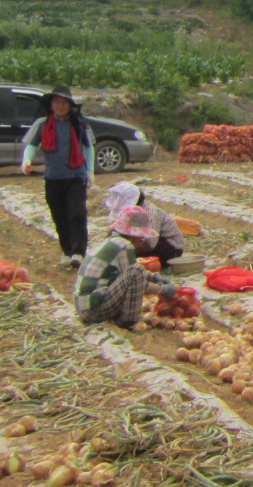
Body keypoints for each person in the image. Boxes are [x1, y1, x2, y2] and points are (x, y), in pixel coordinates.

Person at [74, 205, 184, 329]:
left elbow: (126, 271)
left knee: (135, 271)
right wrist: (162, 289)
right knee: (135, 272)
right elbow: (137, 280)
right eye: (140, 236)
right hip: (93, 310)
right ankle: (128, 321)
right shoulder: (125, 246)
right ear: (133, 235)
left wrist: (154, 277)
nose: (141, 239)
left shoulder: (113, 242)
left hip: (84, 307)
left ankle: (121, 315)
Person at [20, 86, 94, 269]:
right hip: (53, 178)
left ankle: (78, 252)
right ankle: (67, 251)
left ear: (70, 105)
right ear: (51, 104)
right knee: (59, 216)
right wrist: (26, 160)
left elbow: (88, 147)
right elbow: (32, 145)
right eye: (57, 102)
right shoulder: (43, 124)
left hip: (76, 176)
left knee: (77, 213)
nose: (60, 106)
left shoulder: (79, 123)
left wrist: (90, 171)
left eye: (64, 102)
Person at [103, 182, 187, 266]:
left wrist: (123, 248)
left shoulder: (150, 213)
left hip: (170, 247)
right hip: (146, 243)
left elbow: (150, 243)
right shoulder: (128, 211)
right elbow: (116, 228)